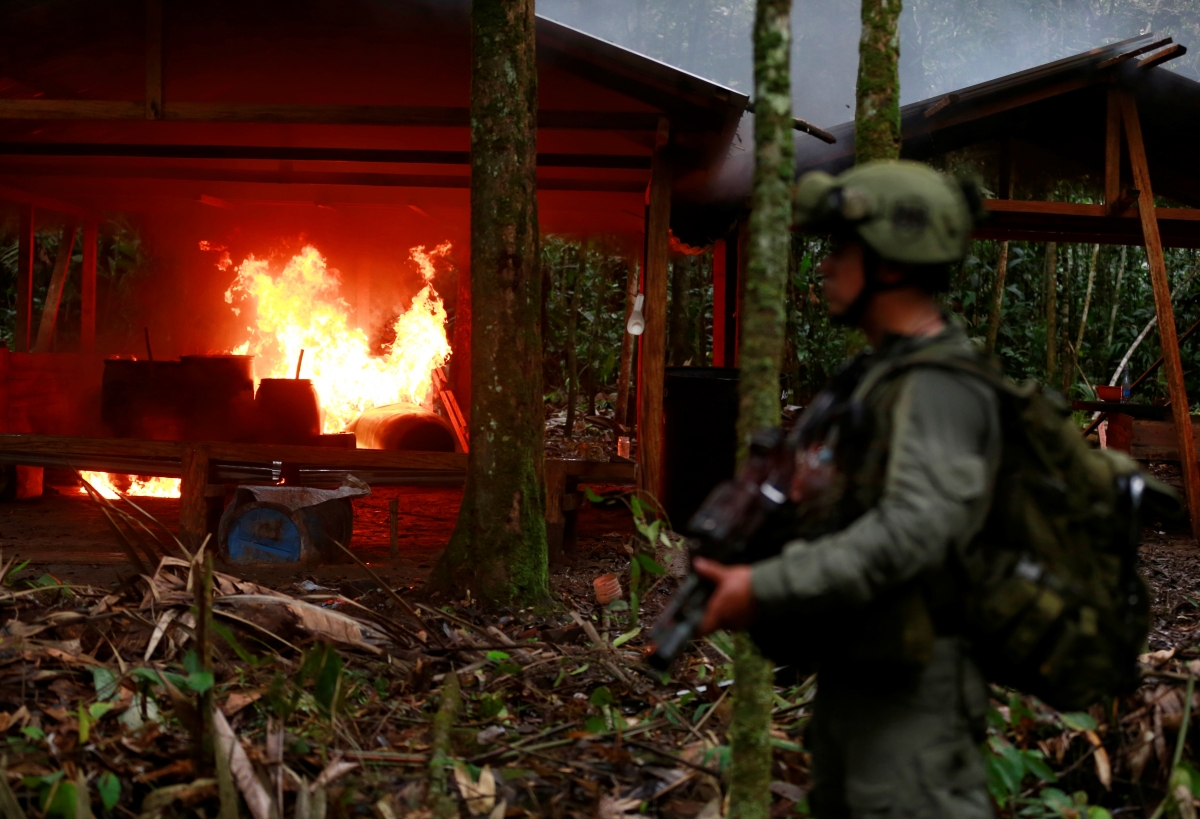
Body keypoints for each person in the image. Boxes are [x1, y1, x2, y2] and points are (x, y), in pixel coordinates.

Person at [695, 160, 996, 818]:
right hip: (859, 682)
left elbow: (909, 533)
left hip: (913, 707)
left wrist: (765, 586)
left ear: (890, 265)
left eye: (842, 251)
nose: (825, 267)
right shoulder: (879, 376)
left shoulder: (939, 387)